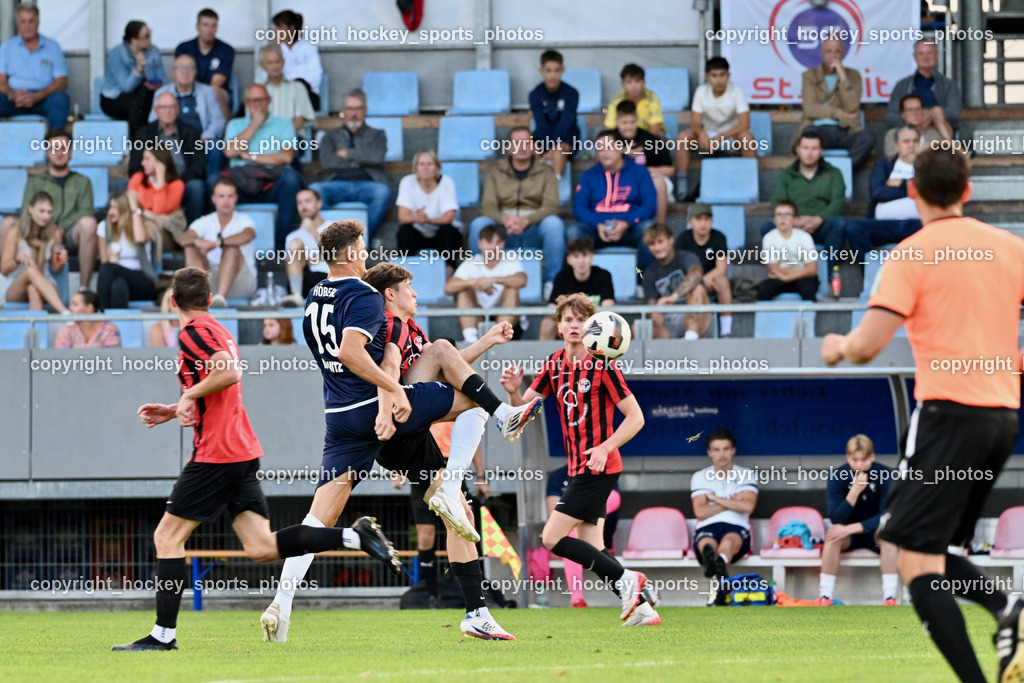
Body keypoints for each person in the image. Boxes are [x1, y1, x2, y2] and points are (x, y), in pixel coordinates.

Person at [257, 222, 541, 643]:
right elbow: (367, 355)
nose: (366, 253)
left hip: (341, 419)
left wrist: (483, 342)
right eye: (362, 247)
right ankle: (499, 420)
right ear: (352, 253)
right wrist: (391, 393)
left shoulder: (315, 296)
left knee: (322, 516)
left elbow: (393, 357)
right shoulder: (368, 299)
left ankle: (282, 604)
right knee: (475, 401)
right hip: (381, 411)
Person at [111, 266, 401, 652]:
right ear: (211, 299)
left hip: (216, 454)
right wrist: (174, 406)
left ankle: (163, 636)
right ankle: (355, 535)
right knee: (262, 546)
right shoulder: (219, 330)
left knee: (166, 536)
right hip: (241, 451)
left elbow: (227, 374)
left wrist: (186, 396)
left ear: (173, 302)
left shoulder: (192, 332)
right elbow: (221, 382)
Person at [821, 146, 1024, 683]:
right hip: (1002, 418)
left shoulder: (910, 254)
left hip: (947, 416)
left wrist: (837, 344)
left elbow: (868, 345)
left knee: (908, 553)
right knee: (923, 548)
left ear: (912, 193)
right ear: (968, 190)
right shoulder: (1009, 248)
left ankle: (1003, 617)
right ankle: (1005, 609)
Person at [501, 293, 658, 627]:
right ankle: (643, 609)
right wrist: (514, 391)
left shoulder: (603, 364)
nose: (575, 326)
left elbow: (636, 418)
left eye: (582, 320)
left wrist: (604, 447)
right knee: (594, 548)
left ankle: (629, 579)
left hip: (598, 466)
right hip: (578, 468)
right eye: (569, 320)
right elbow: (522, 415)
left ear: (592, 327)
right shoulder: (553, 365)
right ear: (559, 326)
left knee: (551, 538)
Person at [469, 127, 564, 293]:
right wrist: (505, 219)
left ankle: (552, 283)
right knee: (479, 224)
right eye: (517, 143)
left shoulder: (546, 171)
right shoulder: (496, 172)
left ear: (534, 146)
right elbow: (488, 206)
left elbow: (551, 206)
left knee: (554, 224)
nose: (522, 147)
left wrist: (526, 221)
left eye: (527, 142)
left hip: (534, 229)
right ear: (509, 147)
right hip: (503, 231)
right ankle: (479, 278)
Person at [5, 128, 98, 290]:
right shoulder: (36, 181)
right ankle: (5, 280)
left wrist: (58, 231)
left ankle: (84, 289)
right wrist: (51, 229)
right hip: (39, 234)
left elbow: (86, 212)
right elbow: (26, 212)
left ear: (71, 151)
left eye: (63, 148)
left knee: (88, 224)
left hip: (68, 237)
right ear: (47, 152)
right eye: (54, 148)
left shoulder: (83, 181)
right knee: (7, 223)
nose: (59, 152)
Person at [215, 84, 303, 250]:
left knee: (291, 180)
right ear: (246, 103)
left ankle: (279, 246)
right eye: (253, 101)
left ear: (268, 101)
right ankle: (221, 241)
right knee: (215, 181)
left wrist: (251, 156)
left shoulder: (283, 124)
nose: (257, 105)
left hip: (271, 184)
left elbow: (286, 157)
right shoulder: (235, 124)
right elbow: (230, 151)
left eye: (261, 100)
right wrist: (255, 124)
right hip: (240, 185)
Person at [818, 434, 899, 606]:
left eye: (864, 460)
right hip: (850, 537)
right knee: (832, 537)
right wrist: (854, 492)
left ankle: (890, 597)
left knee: (889, 537)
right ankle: (825, 596)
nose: (859, 465)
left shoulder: (886, 474)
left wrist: (850, 528)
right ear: (848, 457)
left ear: (872, 456)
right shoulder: (837, 476)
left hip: (875, 533)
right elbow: (836, 517)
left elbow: (886, 516)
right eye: (854, 460)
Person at [569, 129, 657, 271]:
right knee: (574, 231)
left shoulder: (639, 172)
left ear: (621, 148)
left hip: (630, 229)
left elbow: (650, 205)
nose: (604, 152)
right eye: (600, 148)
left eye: (609, 147)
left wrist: (627, 223)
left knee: (648, 229)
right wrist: (597, 225)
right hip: (597, 230)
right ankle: (581, 284)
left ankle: (643, 282)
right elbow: (579, 207)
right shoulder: (589, 175)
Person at [310, 90, 391, 240]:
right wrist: (362, 156)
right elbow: (328, 162)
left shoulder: (378, 134)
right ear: (343, 111)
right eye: (349, 109)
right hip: (336, 183)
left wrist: (346, 154)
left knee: (382, 192)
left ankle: (358, 239)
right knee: (315, 190)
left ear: (365, 111)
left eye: (358, 108)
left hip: (368, 184)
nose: (354, 113)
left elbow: (376, 157)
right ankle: (334, 237)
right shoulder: (330, 136)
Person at [690, 429, 758, 606]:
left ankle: (717, 566)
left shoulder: (747, 474)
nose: (721, 454)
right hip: (708, 526)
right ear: (709, 452)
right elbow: (701, 512)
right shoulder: (699, 476)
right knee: (707, 544)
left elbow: (748, 506)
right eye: (716, 449)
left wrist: (713, 499)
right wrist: (730, 501)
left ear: (733, 450)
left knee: (728, 542)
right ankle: (717, 568)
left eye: (726, 449)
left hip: (736, 526)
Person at [674, 56, 756, 202]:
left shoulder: (736, 91)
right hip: (708, 136)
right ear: (707, 77)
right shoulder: (701, 91)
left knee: (747, 138)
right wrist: (701, 133)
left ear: (728, 76)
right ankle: (682, 190)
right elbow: (695, 121)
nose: (718, 80)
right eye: (714, 75)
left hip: (731, 136)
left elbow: (744, 124)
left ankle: (750, 187)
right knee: (682, 137)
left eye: (722, 75)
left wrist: (720, 137)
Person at [766, 130, 846, 273]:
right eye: (805, 148)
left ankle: (831, 274)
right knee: (767, 228)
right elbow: (778, 202)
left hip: (821, 227)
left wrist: (818, 219)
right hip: (793, 227)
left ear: (821, 151)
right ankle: (781, 272)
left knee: (838, 224)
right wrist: (794, 220)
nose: (809, 153)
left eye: (814, 149)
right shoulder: (786, 175)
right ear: (797, 150)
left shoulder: (834, 173)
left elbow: (838, 203)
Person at [844, 125, 924, 268]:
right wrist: (912, 188)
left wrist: (900, 183)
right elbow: (877, 193)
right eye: (906, 141)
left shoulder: (928, 167)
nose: (911, 145)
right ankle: (873, 272)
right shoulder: (884, 166)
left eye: (915, 141)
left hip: (917, 224)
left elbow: (930, 191)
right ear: (897, 146)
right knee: (853, 228)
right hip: (885, 226)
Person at [545, 464, 622, 608]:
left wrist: (605, 448)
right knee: (575, 538)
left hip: (603, 532)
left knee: (560, 536)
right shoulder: (558, 475)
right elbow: (553, 512)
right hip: (586, 534)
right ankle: (640, 600)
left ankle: (577, 598)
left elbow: (614, 498)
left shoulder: (600, 463)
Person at [792, 36, 875, 170]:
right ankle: (819, 175)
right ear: (821, 52)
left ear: (843, 53)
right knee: (808, 138)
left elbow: (852, 106)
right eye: (828, 51)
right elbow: (810, 109)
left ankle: (842, 173)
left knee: (868, 138)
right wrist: (839, 113)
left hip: (846, 129)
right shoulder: (809, 76)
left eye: (837, 52)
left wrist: (842, 75)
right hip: (818, 128)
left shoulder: (853, 75)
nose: (833, 56)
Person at [132, 91, 208, 226]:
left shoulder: (191, 132)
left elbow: (198, 166)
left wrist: (178, 182)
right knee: (125, 186)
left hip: (181, 182)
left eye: (172, 107)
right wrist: (153, 180)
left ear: (178, 109)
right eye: (163, 107)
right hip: (151, 183)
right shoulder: (144, 133)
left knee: (197, 187)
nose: (168, 111)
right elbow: (135, 167)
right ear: (156, 110)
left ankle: (193, 231)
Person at [181, 177, 257, 306]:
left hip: (240, 283)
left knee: (232, 248)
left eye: (230, 196)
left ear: (236, 198)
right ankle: (198, 297)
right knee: (190, 247)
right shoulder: (205, 221)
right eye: (221, 196)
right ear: (213, 199)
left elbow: (248, 235)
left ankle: (220, 299)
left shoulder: (244, 219)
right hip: (210, 282)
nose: (226, 201)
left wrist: (218, 243)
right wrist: (197, 241)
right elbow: (183, 238)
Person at [444, 224, 526, 344]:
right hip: (478, 318)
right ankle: (470, 339)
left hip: (510, 324)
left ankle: (501, 334)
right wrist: (476, 282)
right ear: (479, 244)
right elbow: (449, 287)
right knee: (464, 291)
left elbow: (522, 280)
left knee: (512, 289)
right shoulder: (471, 262)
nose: (494, 247)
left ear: (504, 244)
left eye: (498, 242)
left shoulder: (511, 260)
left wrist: (492, 280)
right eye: (489, 242)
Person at [0, 3, 68, 130]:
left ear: (38, 23)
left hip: (43, 98)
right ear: (17, 24)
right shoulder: (6, 47)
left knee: (60, 99)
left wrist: (38, 96)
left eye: (31, 21)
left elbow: (62, 82)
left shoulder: (52, 47)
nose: (27, 26)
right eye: (23, 21)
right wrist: (12, 95)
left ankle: (55, 146)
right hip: (14, 99)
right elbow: (0, 81)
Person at [395, 149, 462, 276]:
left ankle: (448, 275)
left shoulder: (447, 182)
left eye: (429, 164)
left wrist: (429, 219)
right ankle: (404, 277)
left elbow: (449, 217)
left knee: (450, 233)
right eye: (421, 164)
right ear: (416, 168)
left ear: (437, 167)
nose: (425, 168)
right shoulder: (407, 182)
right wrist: (417, 218)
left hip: (439, 231)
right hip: (417, 232)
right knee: (404, 233)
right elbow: (402, 217)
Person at [0, 191, 67, 312]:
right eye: (41, 211)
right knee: (30, 271)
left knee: (33, 289)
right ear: (30, 209)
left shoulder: (55, 233)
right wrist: (18, 259)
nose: (46, 216)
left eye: (49, 212)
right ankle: (65, 313)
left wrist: (61, 259)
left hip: (45, 279)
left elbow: (57, 269)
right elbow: (4, 270)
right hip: (17, 283)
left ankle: (37, 330)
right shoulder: (15, 231)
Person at [641, 223, 710, 340]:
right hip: (669, 322)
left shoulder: (686, 257)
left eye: (660, 241)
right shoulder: (649, 273)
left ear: (671, 240)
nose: (657, 247)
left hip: (698, 317)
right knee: (638, 327)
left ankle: (690, 340)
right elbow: (651, 302)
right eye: (652, 244)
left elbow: (696, 274)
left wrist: (674, 296)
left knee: (698, 289)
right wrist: (654, 313)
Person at [884, 40, 960, 143]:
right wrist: (916, 117)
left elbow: (954, 113)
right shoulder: (902, 85)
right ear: (914, 57)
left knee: (937, 112)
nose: (926, 57)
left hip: (938, 129)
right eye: (921, 54)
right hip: (909, 129)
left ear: (937, 55)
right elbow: (890, 117)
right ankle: (954, 151)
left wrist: (932, 115)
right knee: (935, 112)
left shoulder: (948, 85)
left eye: (929, 53)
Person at [675, 203, 733, 337]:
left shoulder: (719, 237)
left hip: (710, 282)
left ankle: (726, 332)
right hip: (689, 283)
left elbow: (721, 269)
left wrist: (702, 279)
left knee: (723, 281)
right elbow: (680, 269)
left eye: (707, 219)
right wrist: (694, 281)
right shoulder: (683, 239)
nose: (703, 223)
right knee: (695, 288)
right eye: (698, 218)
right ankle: (692, 332)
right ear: (690, 222)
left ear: (712, 221)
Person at [539, 237, 614, 340]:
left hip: (594, 326)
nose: (581, 261)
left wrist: (583, 322)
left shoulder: (603, 276)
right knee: (548, 323)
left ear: (592, 257)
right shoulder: (562, 277)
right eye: (576, 256)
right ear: (569, 259)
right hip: (568, 326)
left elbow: (608, 309)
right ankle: (546, 356)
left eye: (584, 255)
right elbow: (551, 308)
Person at [100, 21, 165, 137]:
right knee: (138, 103)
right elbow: (127, 87)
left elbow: (161, 78)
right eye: (146, 36)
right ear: (134, 40)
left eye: (150, 33)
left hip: (144, 94)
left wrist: (154, 83)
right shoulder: (117, 54)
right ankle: (138, 145)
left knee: (155, 101)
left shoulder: (153, 51)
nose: (150, 38)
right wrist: (139, 69)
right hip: (114, 98)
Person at [614, 100, 674, 225]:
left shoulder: (651, 139)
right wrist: (623, 153)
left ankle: (658, 229)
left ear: (637, 119)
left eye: (632, 122)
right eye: (624, 122)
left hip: (646, 179)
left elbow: (670, 170)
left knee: (658, 183)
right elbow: (600, 163)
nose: (628, 126)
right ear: (616, 121)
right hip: (617, 180)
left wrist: (645, 171)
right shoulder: (609, 139)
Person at [96, 190, 158, 309]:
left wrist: (134, 207)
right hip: (119, 279)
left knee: (107, 269)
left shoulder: (145, 224)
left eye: (114, 208)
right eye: (109, 207)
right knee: (118, 285)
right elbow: (105, 262)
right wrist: (111, 259)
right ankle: (115, 324)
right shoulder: (104, 226)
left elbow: (140, 238)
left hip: (143, 281)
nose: (110, 212)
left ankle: (101, 315)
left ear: (125, 209)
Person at [174, 8, 234, 121]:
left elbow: (217, 82)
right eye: (206, 25)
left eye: (214, 26)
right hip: (187, 88)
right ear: (197, 26)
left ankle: (223, 134)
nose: (210, 30)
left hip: (214, 91)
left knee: (216, 92)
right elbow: (181, 76)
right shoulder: (183, 48)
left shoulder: (226, 50)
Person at [149, 54, 225, 141]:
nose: (185, 72)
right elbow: (153, 121)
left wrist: (206, 137)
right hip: (172, 141)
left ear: (195, 71)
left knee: (216, 146)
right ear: (173, 72)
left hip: (201, 141)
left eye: (190, 68)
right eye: (180, 68)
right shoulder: (162, 93)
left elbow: (218, 121)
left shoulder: (207, 91)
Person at [529, 49, 579, 179]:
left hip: (567, 136)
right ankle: (532, 189)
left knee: (558, 151)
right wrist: (546, 148)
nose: (553, 75)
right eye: (548, 70)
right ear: (541, 70)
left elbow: (565, 123)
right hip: (542, 135)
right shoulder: (534, 94)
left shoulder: (572, 93)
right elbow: (540, 123)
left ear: (563, 70)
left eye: (557, 70)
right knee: (528, 149)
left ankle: (554, 188)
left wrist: (551, 149)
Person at [757, 200, 819, 301]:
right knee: (763, 289)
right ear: (774, 220)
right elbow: (773, 268)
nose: (783, 218)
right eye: (779, 214)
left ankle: (810, 316)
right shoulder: (769, 238)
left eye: (787, 214)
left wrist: (787, 277)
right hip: (781, 278)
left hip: (801, 278)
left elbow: (812, 269)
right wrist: (797, 273)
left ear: (794, 219)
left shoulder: (804, 237)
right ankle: (770, 317)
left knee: (808, 288)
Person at [128, 147, 186, 252]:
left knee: (152, 227)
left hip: (163, 234)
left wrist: (160, 180)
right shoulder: (137, 178)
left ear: (160, 162)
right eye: (143, 159)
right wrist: (150, 215)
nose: (142, 163)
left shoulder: (177, 185)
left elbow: (159, 210)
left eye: (147, 159)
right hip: (138, 227)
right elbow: (129, 206)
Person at [264, 10, 323, 112]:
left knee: (300, 84)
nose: (275, 30)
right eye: (275, 27)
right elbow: (266, 75)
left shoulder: (308, 48)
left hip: (306, 95)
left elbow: (315, 77)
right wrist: (273, 48)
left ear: (291, 28)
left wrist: (292, 86)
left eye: (279, 27)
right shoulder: (275, 50)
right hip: (279, 93)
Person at [281, 188, 328, 306]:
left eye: (308, 201)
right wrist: (318, 256)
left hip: (329, 278)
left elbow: (339, 255)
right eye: (300, 203)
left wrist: (314, 232)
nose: (304, 206)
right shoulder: (293, 236)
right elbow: (292, 263)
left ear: (319, 203)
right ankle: (295, 296)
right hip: (305, 280)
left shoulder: (335, 226)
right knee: (295, 243)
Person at [257, 44, 314, 135]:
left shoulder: (297, 88)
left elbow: (299, 121)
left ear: (283, 62)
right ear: (262, 66)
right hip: (264, 140)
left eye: (277, 62)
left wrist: (281, 137)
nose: (275, 66)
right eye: (270, 63)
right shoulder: (257, 91)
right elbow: (253, 122)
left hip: (291, 138)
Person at [603, 63, 663, 136]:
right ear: (623, 84)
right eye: (629, 82)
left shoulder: (652, 98)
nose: (633, 86)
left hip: (649, 137)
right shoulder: (616, 99)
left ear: (644, 82)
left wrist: (639, 145)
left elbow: (655, 130)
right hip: (625, 137)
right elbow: (609, 128)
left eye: (637, 81)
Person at [55, 290, 121, 348]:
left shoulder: (110, 330)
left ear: (89, 308)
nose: (70, 308)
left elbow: (113, 358)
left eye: (75, 304)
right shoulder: (66, 331)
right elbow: (60, 359)